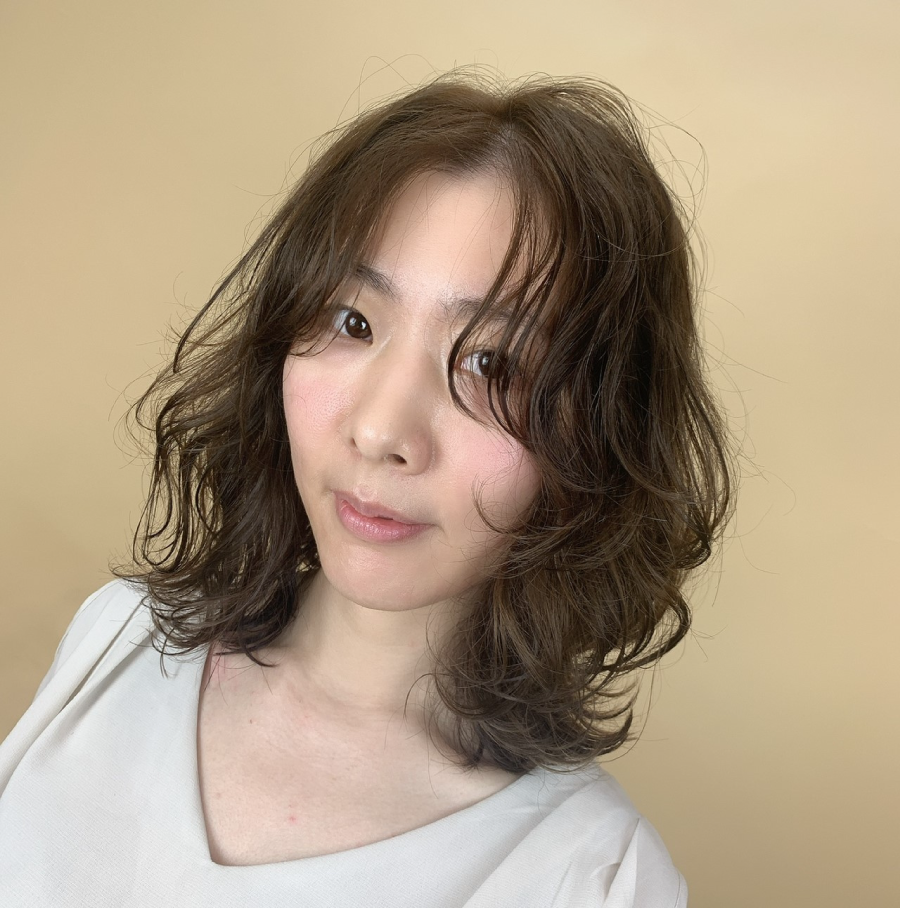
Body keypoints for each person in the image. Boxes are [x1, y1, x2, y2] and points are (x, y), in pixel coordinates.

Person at [0, 71, 731, 906]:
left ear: (599, 435)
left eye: (492, 364)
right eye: (354, 322)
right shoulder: (117, 640)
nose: (382, 430)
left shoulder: (594, 876)